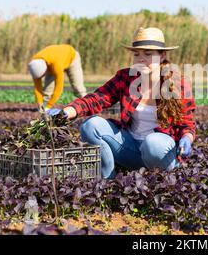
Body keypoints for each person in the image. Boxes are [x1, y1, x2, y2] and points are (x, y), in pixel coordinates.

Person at [47, 27, 196, 179]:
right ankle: (107, 179)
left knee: (153, 143)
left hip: (160, 153)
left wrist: (186, 139)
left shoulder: (179, 84)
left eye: (148, 54)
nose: (141, 59)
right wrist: (66, 112)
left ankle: (160, 179)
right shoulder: (126, 78)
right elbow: (97, 98)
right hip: (130, 149)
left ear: (162, 55)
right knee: (91, 126)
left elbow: (188, 125)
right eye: (136, 54)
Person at [27, 44, 87, 112]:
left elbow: (59, 88)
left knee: (78, 87)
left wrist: (49, 105)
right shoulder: (34, 65)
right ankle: (43, 109)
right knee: (47, 91)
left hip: (72, 58)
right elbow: (37, 88)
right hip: (52, 61)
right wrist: (40, 105)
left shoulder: (56, 65)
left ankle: (87, 105)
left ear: (45, 70)